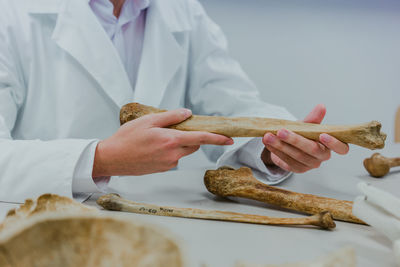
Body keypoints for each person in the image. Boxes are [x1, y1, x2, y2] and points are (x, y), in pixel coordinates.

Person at [0, 0, 349, 203]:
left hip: (163, 225)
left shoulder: (181, 10)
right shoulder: (11, 15)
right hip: (44, 228)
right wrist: (101, 159)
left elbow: (232, 105)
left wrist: (275, 147)